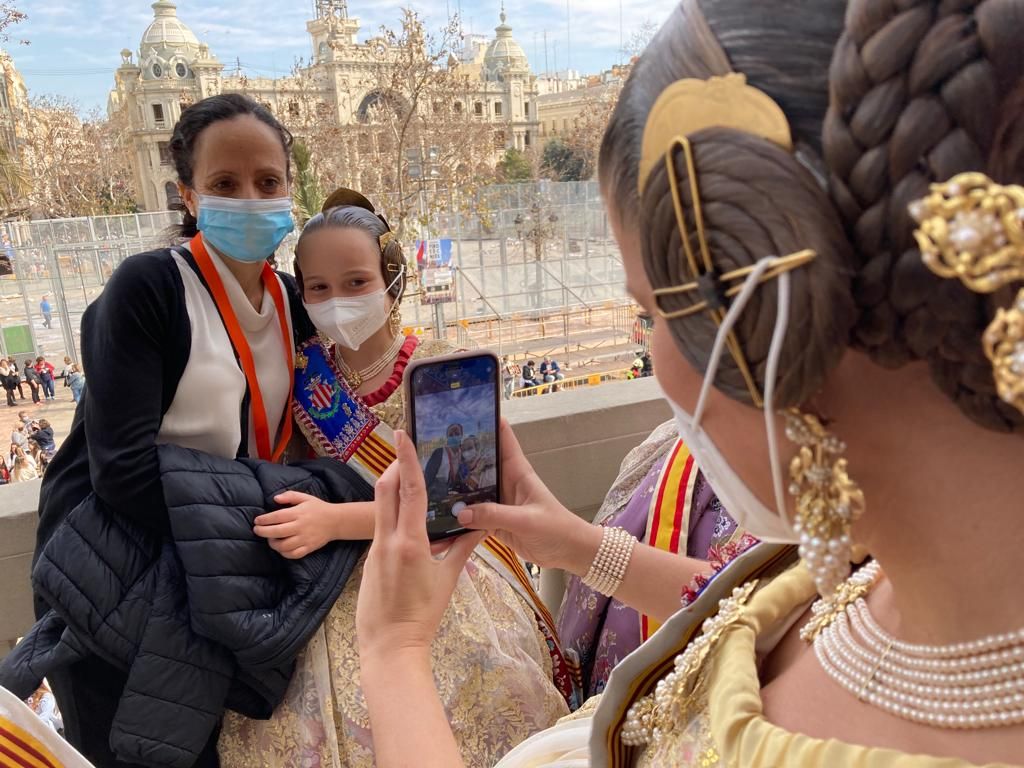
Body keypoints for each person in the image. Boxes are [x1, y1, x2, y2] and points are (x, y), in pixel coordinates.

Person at [352, 1, 1024, 766]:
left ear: (771, 320)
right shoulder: (898, 554)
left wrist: (395, 652)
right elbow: (742, 602)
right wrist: (573, 543)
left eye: (650, 311)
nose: (649, 348)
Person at [217, 189, 572, 768]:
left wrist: (336, 520)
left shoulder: (442, 363)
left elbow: (455, 499)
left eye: (356, 282)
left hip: (436, 569)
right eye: (319, 288)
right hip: (327, 577)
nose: (338, 300)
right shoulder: (304, 372)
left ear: (391, 278)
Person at [28, 93, 304, 768]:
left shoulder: (296, 299)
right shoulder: (147, 288)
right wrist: (258, 524)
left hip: (220, 583)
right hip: (121, 581)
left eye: (268, 182)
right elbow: (120, 469)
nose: (250, 198)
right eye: (224, 185)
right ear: (187, 194)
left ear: (291, 187)